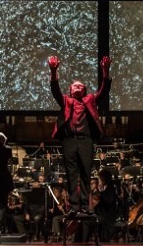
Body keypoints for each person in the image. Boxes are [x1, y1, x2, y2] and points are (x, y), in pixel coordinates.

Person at [48, 55, 112, 215]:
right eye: (74, 85)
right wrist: (53, 71)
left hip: (86, 140)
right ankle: (74, 207)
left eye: (80, 85)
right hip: (69, 140)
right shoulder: (66, 101)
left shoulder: (90, 100)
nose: (77, 86)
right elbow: (55, 90)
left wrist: (105, 71)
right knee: (71, 174)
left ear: (84, 90)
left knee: (85, 172)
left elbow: (104, 91)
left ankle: (84, 206)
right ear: (70, 90)